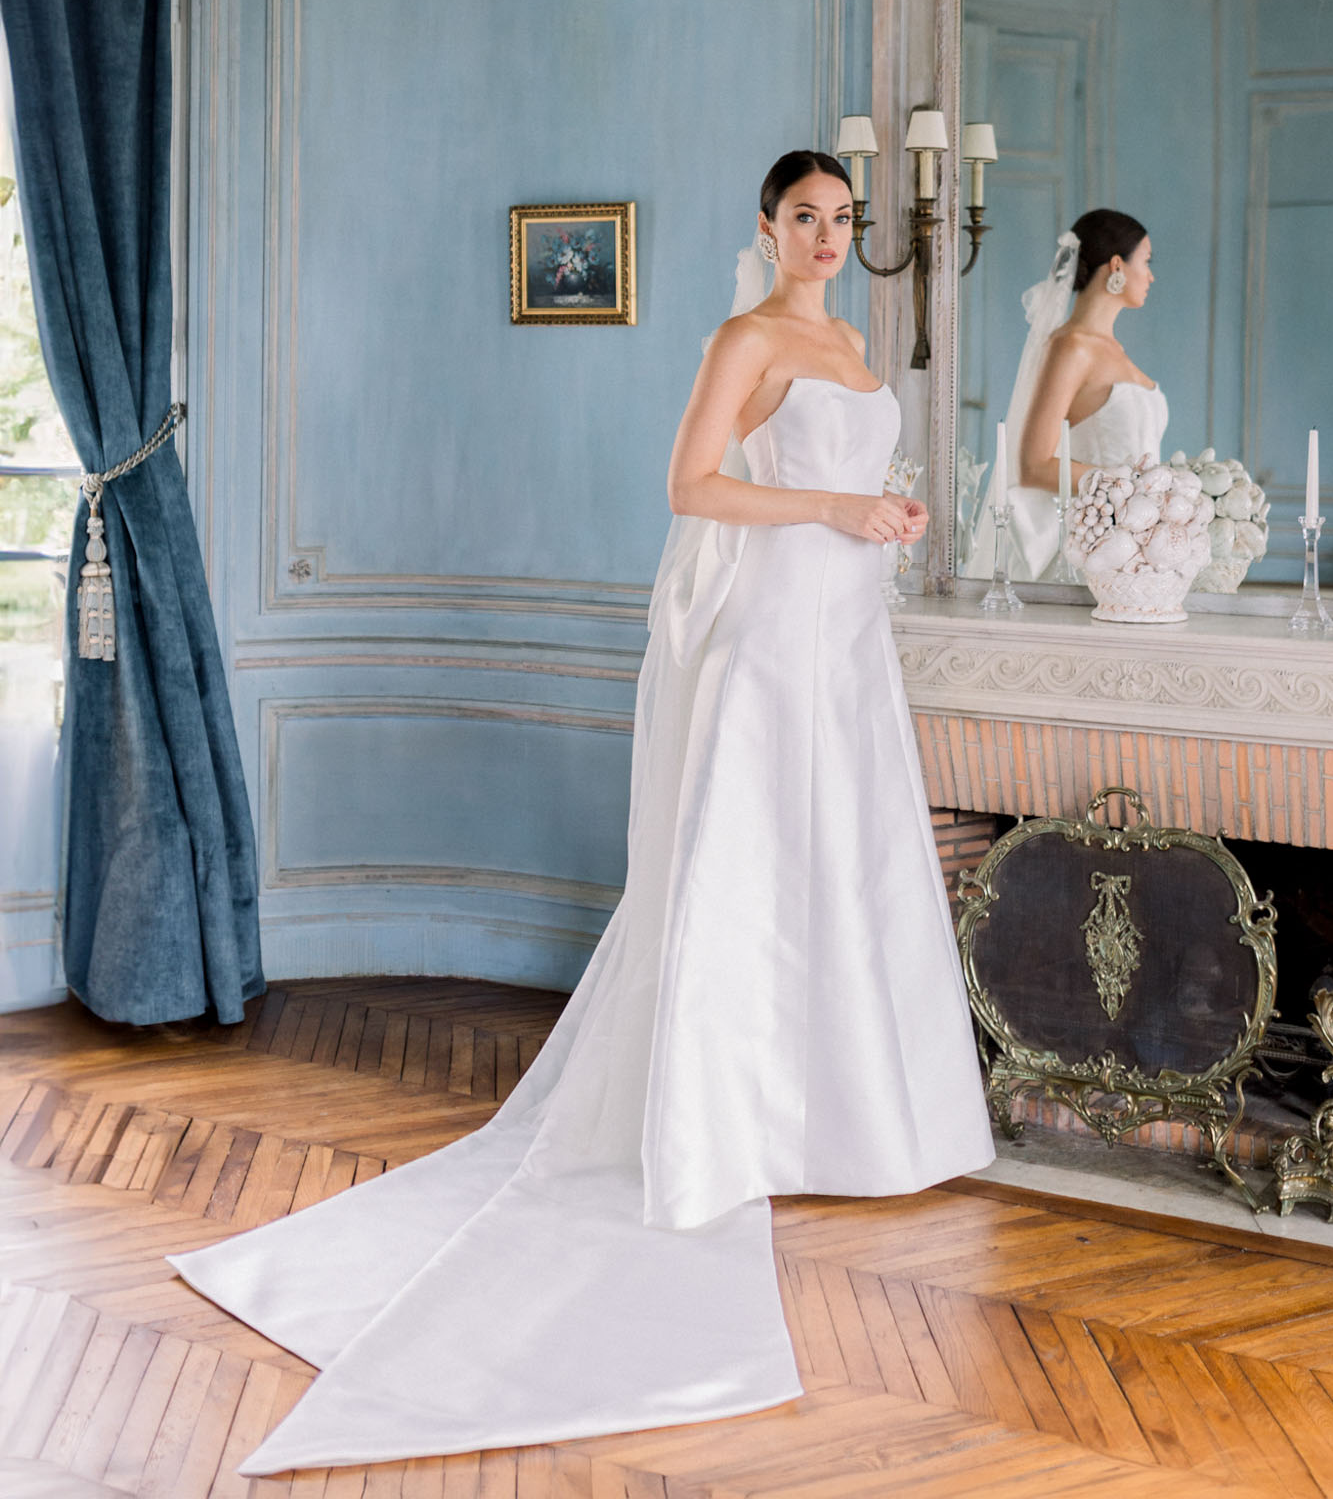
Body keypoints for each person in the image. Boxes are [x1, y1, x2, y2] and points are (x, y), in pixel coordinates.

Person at [168, 150, 995, 1472]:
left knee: (845, 870)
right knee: (753, 876)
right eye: (804, 218)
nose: (827, 238)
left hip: (847, 638)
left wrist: (878, 516)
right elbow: (691, 488)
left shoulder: (847, 338)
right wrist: (840, 506)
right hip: (773, 637)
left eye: (843, 220)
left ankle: (856, 1118)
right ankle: (736, 1122)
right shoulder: (748, 335)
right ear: (766, 226)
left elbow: (823, 485)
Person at [967, 209, 1166, 581]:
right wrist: (1131, 486)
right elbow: (1034, 464)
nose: (1151, 275)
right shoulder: (1071, 347)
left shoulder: (1116, 351)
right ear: (1117, 264)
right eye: (1147, 261)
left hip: (1138, 539)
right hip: (1095, 543)